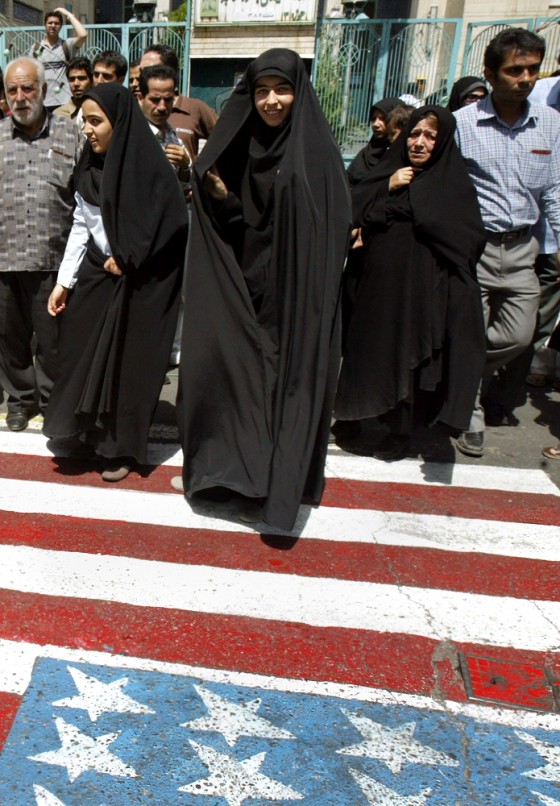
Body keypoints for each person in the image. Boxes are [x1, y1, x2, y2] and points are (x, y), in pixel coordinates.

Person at [174, 48, 351, 530]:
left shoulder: (315, 151)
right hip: (247, 287)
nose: (272, 101)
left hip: (297, 298)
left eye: (283, 89)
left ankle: (276, 484)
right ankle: (235, 475)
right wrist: (221, 198)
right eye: (261, 91)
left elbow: (331, 225)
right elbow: (246, 222)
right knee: (237, 378)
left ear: (300, 91)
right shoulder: (244, 144)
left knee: (283, 387)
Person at [43, 84, 188, 481]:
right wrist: (65, 282)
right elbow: (81, 224)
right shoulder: (88, 167)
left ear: (119, 123)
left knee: (127, 367)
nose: (87, 130)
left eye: (96, 121)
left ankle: (120, 449)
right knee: (80, 355)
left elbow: (172, 226)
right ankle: (85, 435)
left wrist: (131, 259)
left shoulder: (151, 170)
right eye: (83, 121)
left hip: (141, 288)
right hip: (96, 277)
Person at [334, 106, 486, 461]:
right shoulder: (388, 172)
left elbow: (466, 238)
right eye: (414, 134)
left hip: (422, 292)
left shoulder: (453, 184)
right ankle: (352, 417)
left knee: (407, 357)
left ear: (443, 141)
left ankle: (399, 431)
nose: (419, 143)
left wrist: (416, 203)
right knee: (368, 352)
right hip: (375, 287)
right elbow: (350, 208)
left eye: (430, 137)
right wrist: (388, 187)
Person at [453, 28, 560, 457]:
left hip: (522, 250)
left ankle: (457, 373)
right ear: (490, 74)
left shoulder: (550, 124)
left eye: (533, 69)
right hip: (472, 248)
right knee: (471, 328)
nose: (525, 78)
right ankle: (468, 413)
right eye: (515, 70)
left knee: (520, 335)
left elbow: (554, 189)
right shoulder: (463, 124)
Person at [0, 57, 81, 432]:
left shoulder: (70, 134)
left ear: (45, 91)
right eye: (12, 90)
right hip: (4, 259)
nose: (20, 97)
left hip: (53, 262)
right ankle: (19, 400)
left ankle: (53, 402)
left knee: (54, 343)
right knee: (10, 340)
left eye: (27, 88)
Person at [140, 44, 217, 162]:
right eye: (141, 70)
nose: (141, 76)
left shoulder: (195, 108)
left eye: (151, 70)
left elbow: (225, 140)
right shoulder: (130, 111)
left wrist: (199, 169)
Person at [138, 64, 191, 184]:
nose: (162, 107)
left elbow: (183, 180)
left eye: (168, 100)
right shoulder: (133, 136)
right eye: (155, 100)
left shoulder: (171, 134)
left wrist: (184, 165)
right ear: (140, 98)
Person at [32, 8, 87, 112]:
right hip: (42, 102)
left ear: (61, 26)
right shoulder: (35, 48)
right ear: (45, 24)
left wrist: (69, 15)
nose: (53, 26)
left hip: (64, 101)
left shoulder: (67, 45)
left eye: (56, 23)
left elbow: (83, 34)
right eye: (50, 23)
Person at [347, 97, 402, 186]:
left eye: (383, 118)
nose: (376, 124)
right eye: (373, 119)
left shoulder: (401, 155)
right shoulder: (366, 154)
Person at [53, 57, 92, 124]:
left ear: (92, 81)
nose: (76, 84)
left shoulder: (100, 112)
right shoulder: (58, 115)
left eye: (81, 78)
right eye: (72, 79)